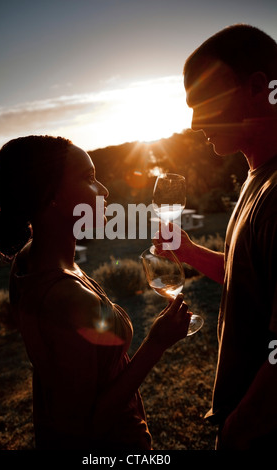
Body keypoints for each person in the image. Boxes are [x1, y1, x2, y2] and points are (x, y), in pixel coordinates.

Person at [0, 135, 191, 450]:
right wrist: (156, 344)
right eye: (89, 179)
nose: (104, 190)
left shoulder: (27, 261)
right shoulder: (68, 299)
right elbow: (88, 424)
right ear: (50, 195)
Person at [155, 24, 277, 449]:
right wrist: (189, 253)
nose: (193, 122)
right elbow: (251, 279)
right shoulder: (256, 177)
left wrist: (239, 429)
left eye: (204, 101)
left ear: (258, 86)